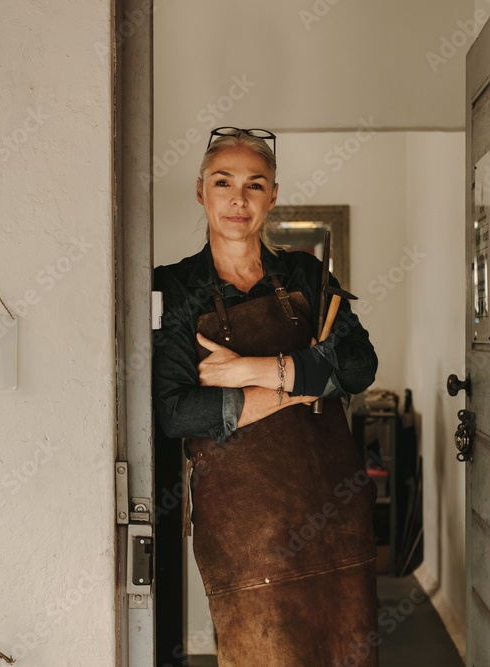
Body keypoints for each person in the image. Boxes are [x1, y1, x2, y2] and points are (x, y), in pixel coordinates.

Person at [152, 127, 380, 666]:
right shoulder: (175, 287)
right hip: (246, 534)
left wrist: (249, 371)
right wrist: (301, 387)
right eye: (223, 181)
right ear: (201, 190)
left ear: (273, 195)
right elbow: (178, 410)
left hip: (334, 516)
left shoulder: (304, 274)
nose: (238, 198)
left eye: (255, 184)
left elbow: (357, 365)